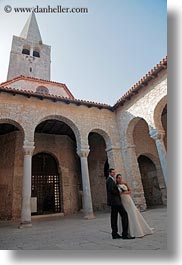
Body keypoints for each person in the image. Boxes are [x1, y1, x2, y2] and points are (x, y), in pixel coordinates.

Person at [116, 174, 154, 238]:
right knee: (125, 214)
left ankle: (136, 229)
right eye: (119, 178)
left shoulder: (125, 183)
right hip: (122, 200)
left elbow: (129, 191)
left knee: (132, 212)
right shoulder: (116, 185)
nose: (120, 179)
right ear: (116, 179)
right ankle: (126, 230)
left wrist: (124, 192)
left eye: (121, 178)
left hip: (128, 199)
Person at [106, 168, 135, 240]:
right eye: (113, 172)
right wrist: (120, 192)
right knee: (124, 215)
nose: (114, 173)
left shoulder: (111, 180)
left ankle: (114, 234)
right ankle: (125, 234)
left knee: (114, 217)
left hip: (114, 202)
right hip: (116, 202)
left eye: (114, 172)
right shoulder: (109, 180)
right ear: (109, 173)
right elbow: (112, 190)